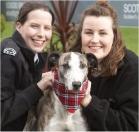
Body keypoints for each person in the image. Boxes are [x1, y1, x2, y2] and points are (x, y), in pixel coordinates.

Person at [72, 1, 138, 131]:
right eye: (89, 32)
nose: (95, 40)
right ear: (81, 35)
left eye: (102, 33)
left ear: (114, 36)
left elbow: (130, 126)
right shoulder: (72, 61)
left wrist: (89, 102)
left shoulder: (132, 69)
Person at [1, 1, 55, 131]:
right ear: (19, 26)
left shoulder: (34, 55)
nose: (42, 34)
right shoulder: (8, 56)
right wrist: (39, 87)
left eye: (47, 28)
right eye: (35, 26)